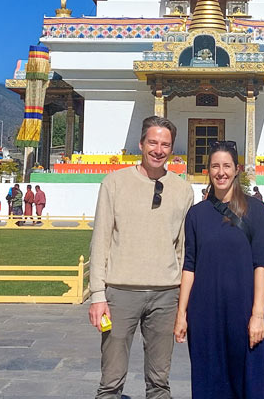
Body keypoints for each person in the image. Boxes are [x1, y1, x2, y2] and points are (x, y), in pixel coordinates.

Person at [89, 116, 194, 399]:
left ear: (172, 149)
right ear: (141, 144)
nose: (158, 150)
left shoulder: (183, 190)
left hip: (165, 295)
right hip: (121, 293)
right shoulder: (114, 182)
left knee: (159, 383)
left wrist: (183, 304)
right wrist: (98, 295)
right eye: (153, 142)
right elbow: (101, 241)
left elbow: (183, 250)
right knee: (111, 381)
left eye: (165, 144)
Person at [174, 140, 264, 398]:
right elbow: (190, 265)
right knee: (209, 380)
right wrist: (182, 313)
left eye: (227, 166)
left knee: (247, 381)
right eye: (215, 166)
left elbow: (261, 264)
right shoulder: (197, 214)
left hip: (243, 311)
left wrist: (257, 315)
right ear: (208, 169)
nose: (221, 172)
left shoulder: (255, 210)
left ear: (237, 169)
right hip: (204, 313)